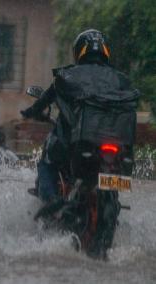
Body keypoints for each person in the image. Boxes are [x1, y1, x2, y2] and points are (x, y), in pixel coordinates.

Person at [20, 29, 139, 203]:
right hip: (118, 143)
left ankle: (50, 201)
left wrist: (30, 112)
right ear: (105, 50)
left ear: (79, 51)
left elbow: (46, 98)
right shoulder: (122, 80)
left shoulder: (68, 75)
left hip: (80, 141)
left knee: (47, 161)